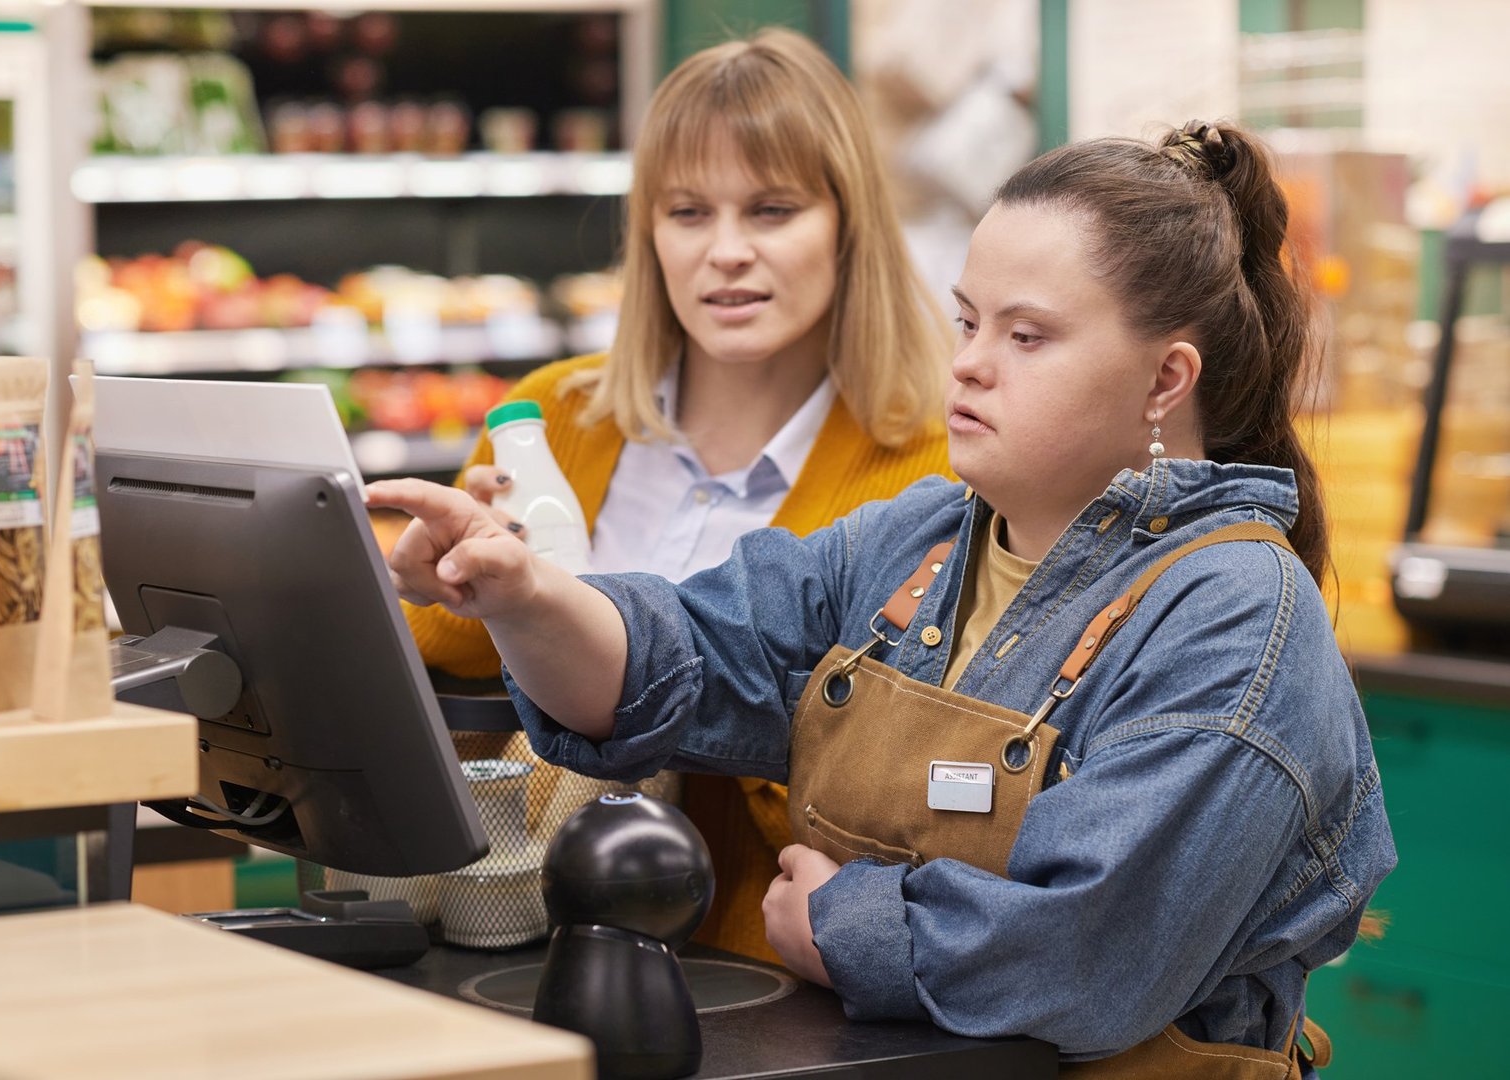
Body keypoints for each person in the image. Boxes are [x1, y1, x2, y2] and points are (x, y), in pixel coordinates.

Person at [369, 119, 1397, 1073]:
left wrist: (846, 925)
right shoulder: (921, 540)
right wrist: (518, 592)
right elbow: (681, 656)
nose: (970, 366)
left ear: (1167, 380)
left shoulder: (1233, 618)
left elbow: (1084, 956)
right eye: (967, 321)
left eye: (1026, 337)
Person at [399, 29, 951, 960]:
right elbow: (449, 654)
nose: (725, 251)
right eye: (688, 212)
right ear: (648, 233)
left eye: (772, 210)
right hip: (520, 942)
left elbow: (892, 777)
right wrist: (433, 579)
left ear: (848, 223)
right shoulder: (554, 418)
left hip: (762, 970)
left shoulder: (929, 467)